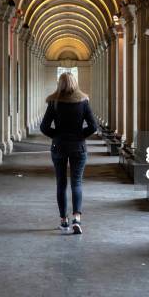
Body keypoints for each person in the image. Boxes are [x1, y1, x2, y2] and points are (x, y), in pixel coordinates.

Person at [40, 72, 97, 234]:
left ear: (60, 84)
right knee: (77, 183)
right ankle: (77, 218)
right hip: (78, 147)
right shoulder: (83, 101)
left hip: (59, 147)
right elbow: (93, 126)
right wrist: (79, 136)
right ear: (75, 83)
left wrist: (57, 136)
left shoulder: (54, 102)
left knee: (61, 183)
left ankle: (64, 221)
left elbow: (44, 127)